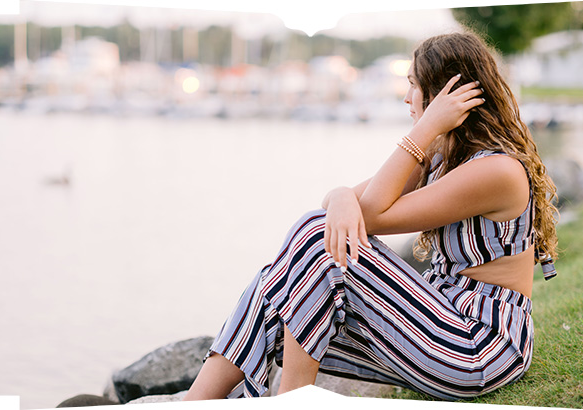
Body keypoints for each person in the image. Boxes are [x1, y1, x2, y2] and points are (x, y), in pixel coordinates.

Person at [183, 32, 559, 400]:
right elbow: (335, 206)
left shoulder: (496, 171)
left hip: (478, 349)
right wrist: (344, 194)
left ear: (445, 95)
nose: (407, 98)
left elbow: (369, 217)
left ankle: (293, 399)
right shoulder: (441, 156)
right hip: (438, 324)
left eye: (415, 86)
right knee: (275, 289)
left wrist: (425, 128)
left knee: (318, 239)